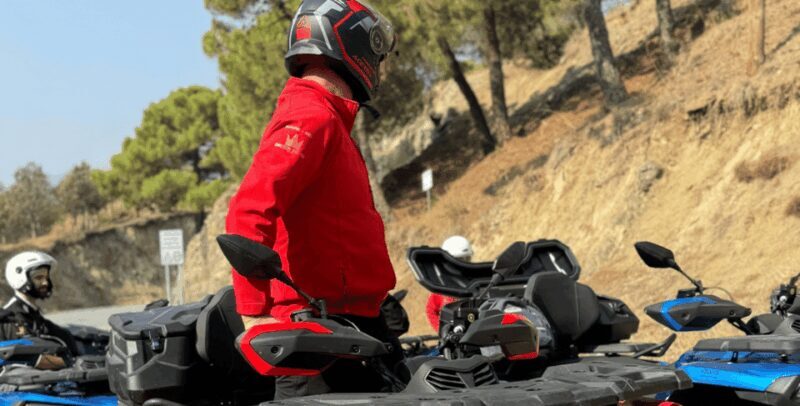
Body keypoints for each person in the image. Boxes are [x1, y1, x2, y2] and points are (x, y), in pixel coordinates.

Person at [224, 0, 399, 399]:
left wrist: (377, 301)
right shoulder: (311, 117)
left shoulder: (330, 118)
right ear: (354, 48)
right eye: (377, 56)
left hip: (350, 326)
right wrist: (256, 314)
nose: (379, 68)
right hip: (316, 340)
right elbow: (248, 212)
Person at [1, 251, 77, 353]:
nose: (45, 282)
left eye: (46, 277)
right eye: (38, 278)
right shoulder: (9, 320)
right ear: (20, 279)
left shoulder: (34, 315)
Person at [426, 236, 474, 331]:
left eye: (465, 259)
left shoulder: (477, 281)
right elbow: (431, 310)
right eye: (458, 260)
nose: (462, 264)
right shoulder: (441, 286)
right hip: (455, 339)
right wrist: (443, 331)